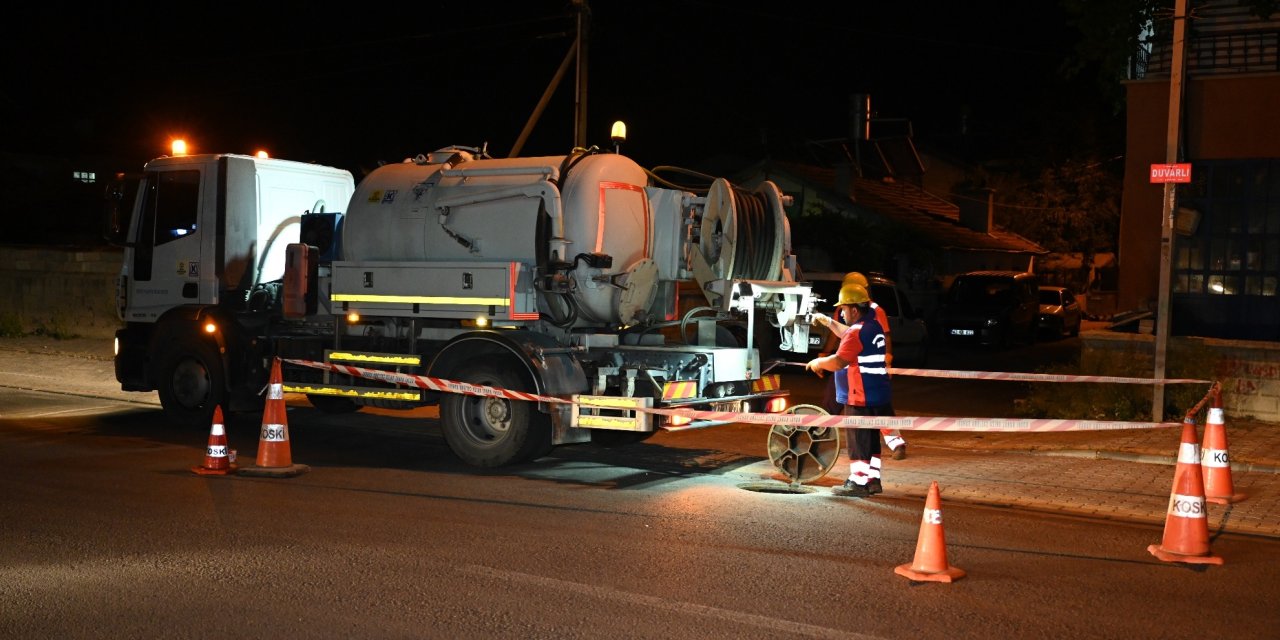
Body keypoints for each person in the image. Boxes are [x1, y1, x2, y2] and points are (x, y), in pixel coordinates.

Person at [806, 283, 894, 497]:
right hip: (874, 394)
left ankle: (857, 482)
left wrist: (818, 363)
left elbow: (838, 362)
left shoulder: (857, 331)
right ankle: (873, 480)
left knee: (857, 440)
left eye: (844, 309)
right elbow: (847, 332)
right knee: (871, 439)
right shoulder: (871, 325)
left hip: (858, 394)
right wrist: (828, 322)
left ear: (854, 310)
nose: (842, 313)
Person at [815, 272, 908, 460]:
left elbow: (879, 335)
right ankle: (820, 434)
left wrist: (822, 361)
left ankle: (894, 445)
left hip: (859, 375)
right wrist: (826, 349)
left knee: (872, 417)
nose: (841, 312)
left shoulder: (873, 312)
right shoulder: (850, 310)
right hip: (850, 370)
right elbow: (841, 334)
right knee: (836, 402)